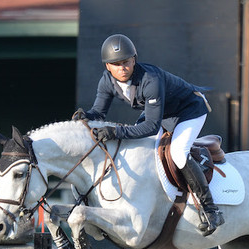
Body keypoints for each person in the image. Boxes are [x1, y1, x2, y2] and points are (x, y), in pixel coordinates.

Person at [73, 34, 224, 236]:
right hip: (162, 113)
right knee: (139, 148)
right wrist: (87, 116)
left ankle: (210, 209)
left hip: (189, 111)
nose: (122, 68)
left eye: (126, 62)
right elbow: (99, 112)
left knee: (178, 153)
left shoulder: (149, 80)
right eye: (116, 64)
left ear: (134, 59)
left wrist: (115, 132)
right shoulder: (106, 81)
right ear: (107, 67)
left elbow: (151, 127)